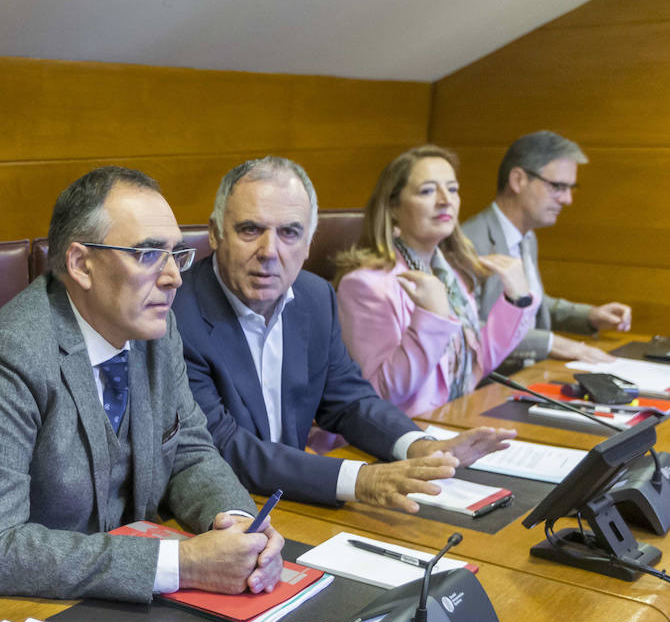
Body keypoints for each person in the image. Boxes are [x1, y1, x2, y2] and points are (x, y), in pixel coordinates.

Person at [0, 166, 283, 622]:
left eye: (177, 253)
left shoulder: (155, 330)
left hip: (110, 600)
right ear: (81, 264)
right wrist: (183, 562)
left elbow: (190, 453)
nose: (174, 277)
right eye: (147, 254)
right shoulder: (4, 357)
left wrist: (238, 528)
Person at [173, 156, 515, 510]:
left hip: (292, 499)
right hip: (221, 509)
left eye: (289, 233)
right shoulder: (178, 315)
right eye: (250, 230)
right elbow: (224, 446)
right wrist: (359, 480)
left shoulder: (315, 297)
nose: (269, 252)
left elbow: (348, 401)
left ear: (308, 243)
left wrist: (421, 447)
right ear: (215, 233)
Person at [334, 145, 538, 417]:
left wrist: (516, 300)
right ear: (393, 207)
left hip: (452, 421)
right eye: (428, 191)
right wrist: (431, 316)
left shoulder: (449, 274)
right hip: (401, 439)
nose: (446, 200)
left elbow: (475, 366)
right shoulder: (365, 285)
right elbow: (380, 393)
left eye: (452, 189)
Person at [462, 130, 631, 366]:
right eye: (558, 186)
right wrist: (552, 343)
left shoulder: (527, 237)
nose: (567, 199)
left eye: (571, 188)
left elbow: (526, 304)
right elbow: (466, 327)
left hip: (527, 373)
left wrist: (590, 317)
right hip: (483, 385)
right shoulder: (467, 244)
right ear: (518, 180)